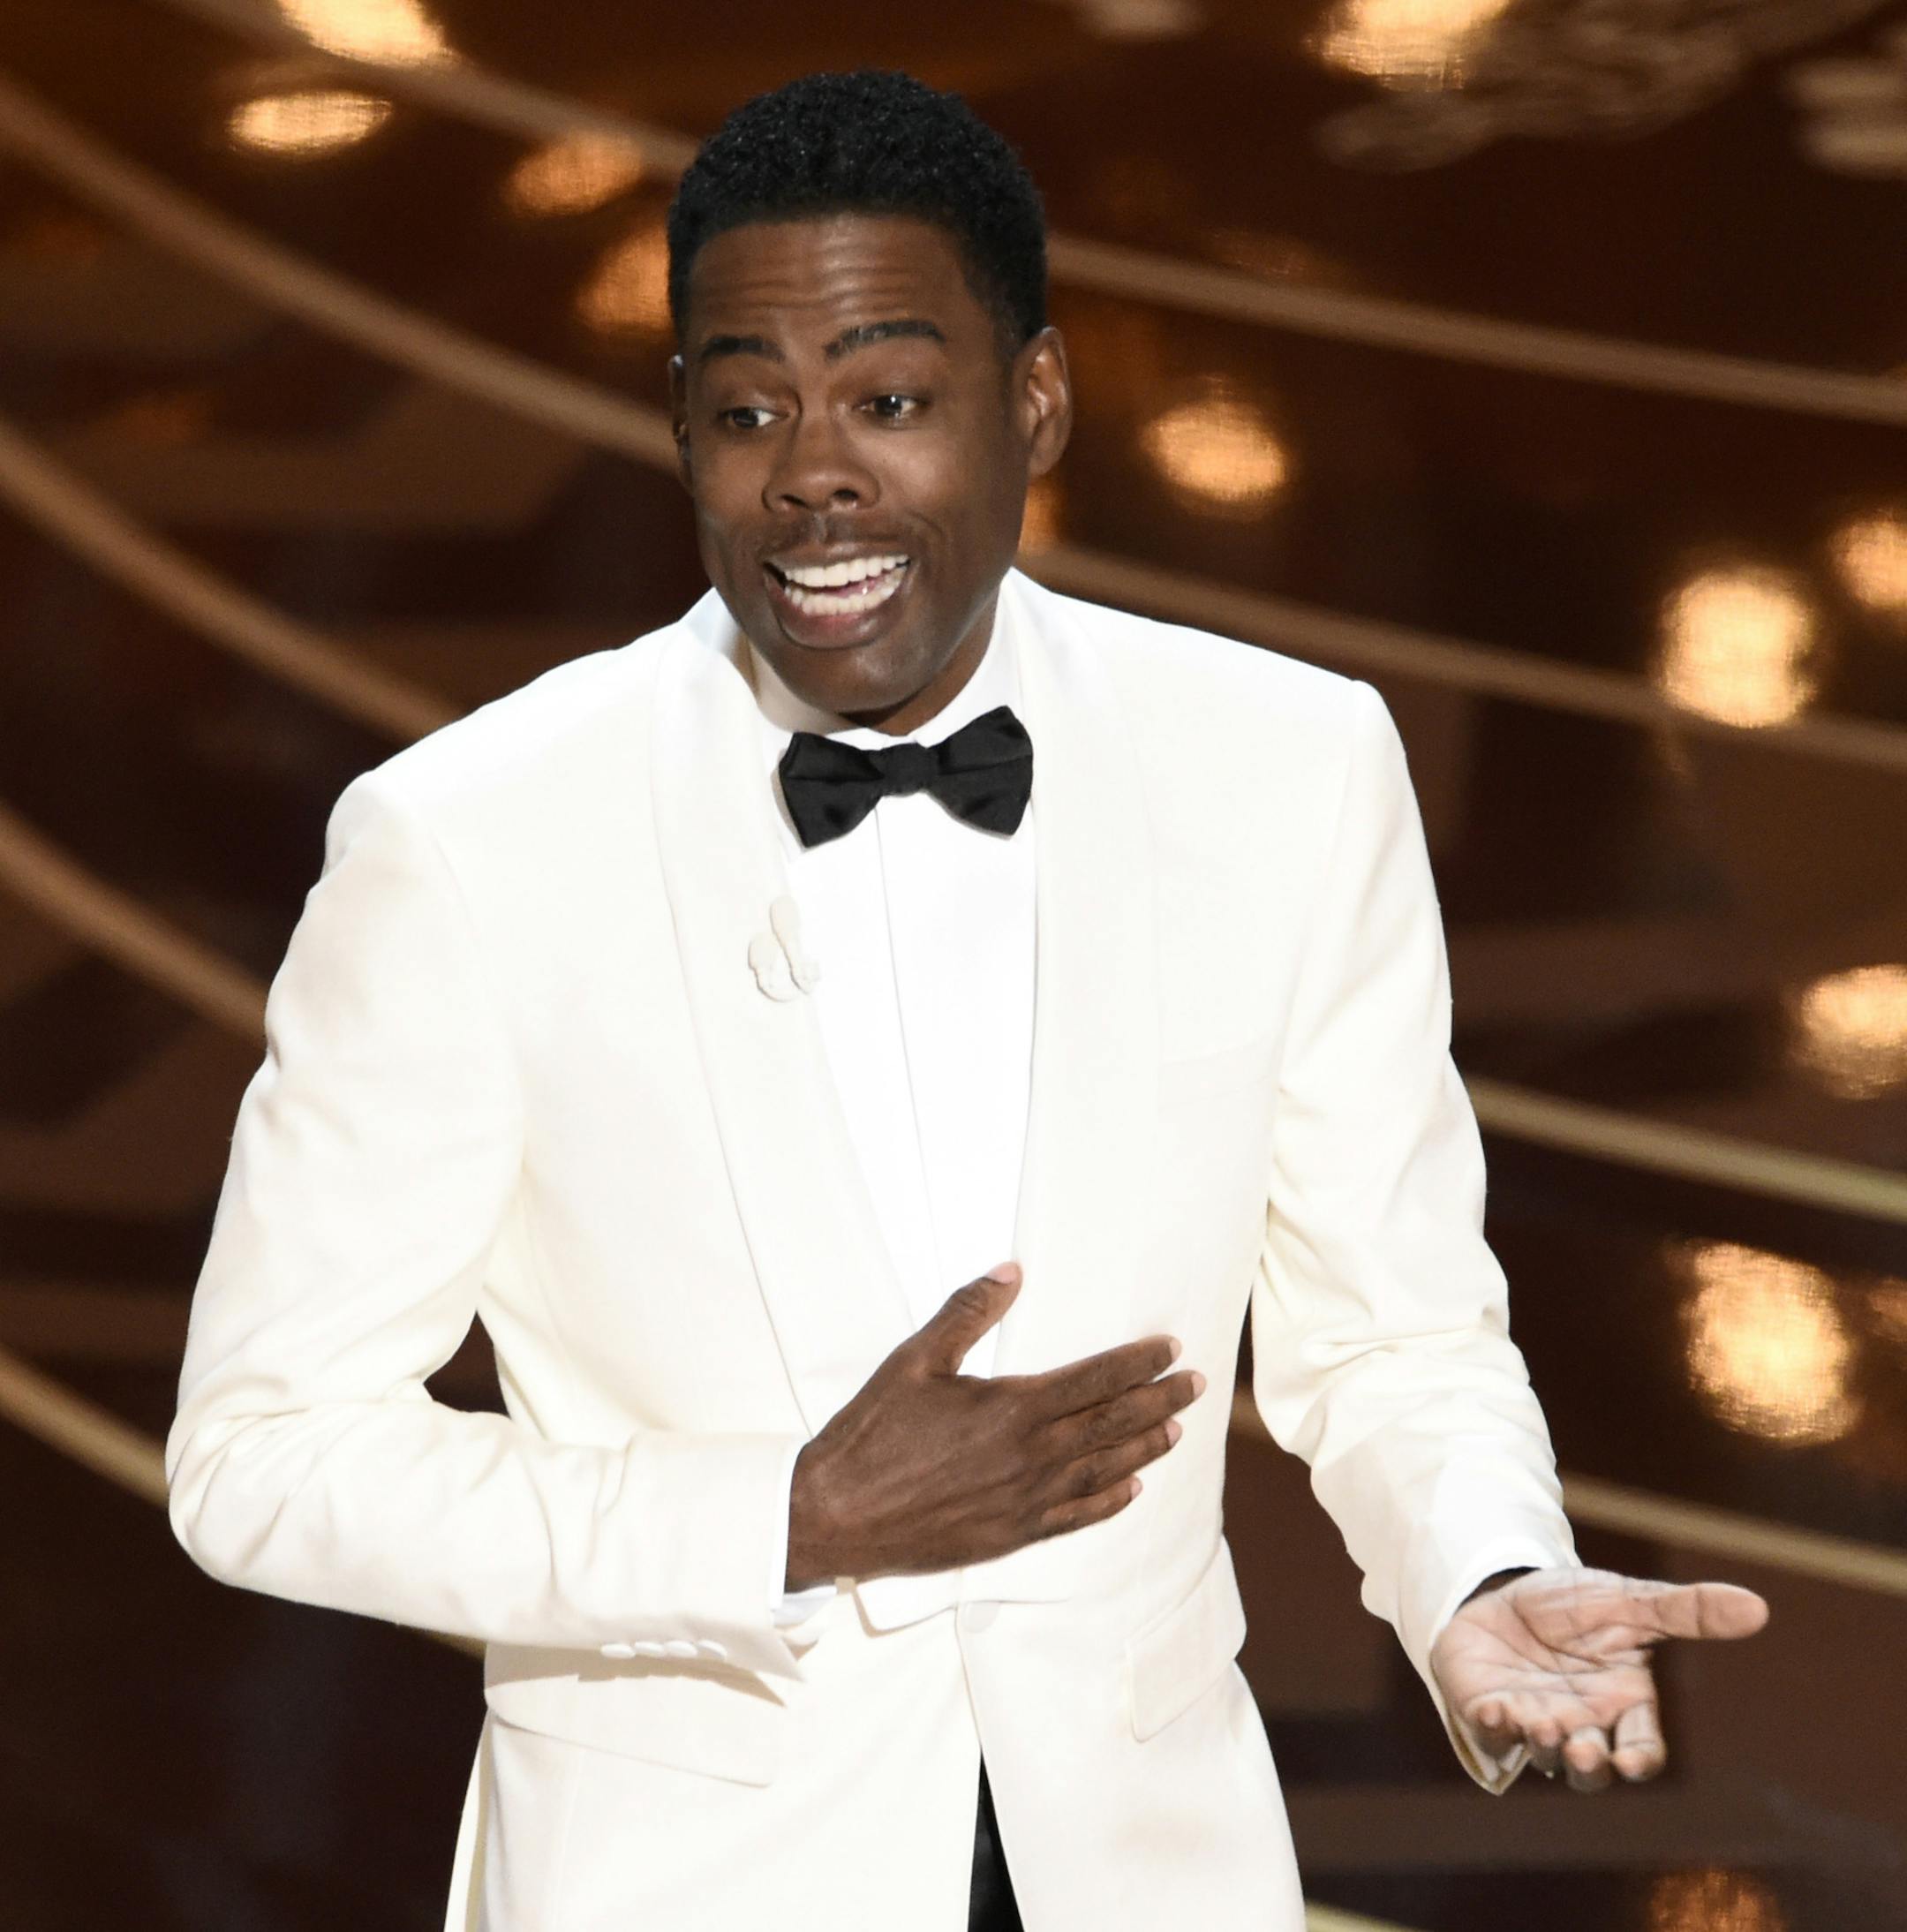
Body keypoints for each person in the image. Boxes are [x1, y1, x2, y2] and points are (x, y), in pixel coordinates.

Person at [166, 69, 1768, 1932]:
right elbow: (259, 1453)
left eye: (892, 397)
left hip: (1145, 1868)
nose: (814, 469)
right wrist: (782, 1514)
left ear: (1038, 401)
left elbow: (1391, 1333)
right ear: (680, 426)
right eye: (746, 406)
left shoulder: (1289, 764)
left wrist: (1481, 1574)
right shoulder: (466, 838)